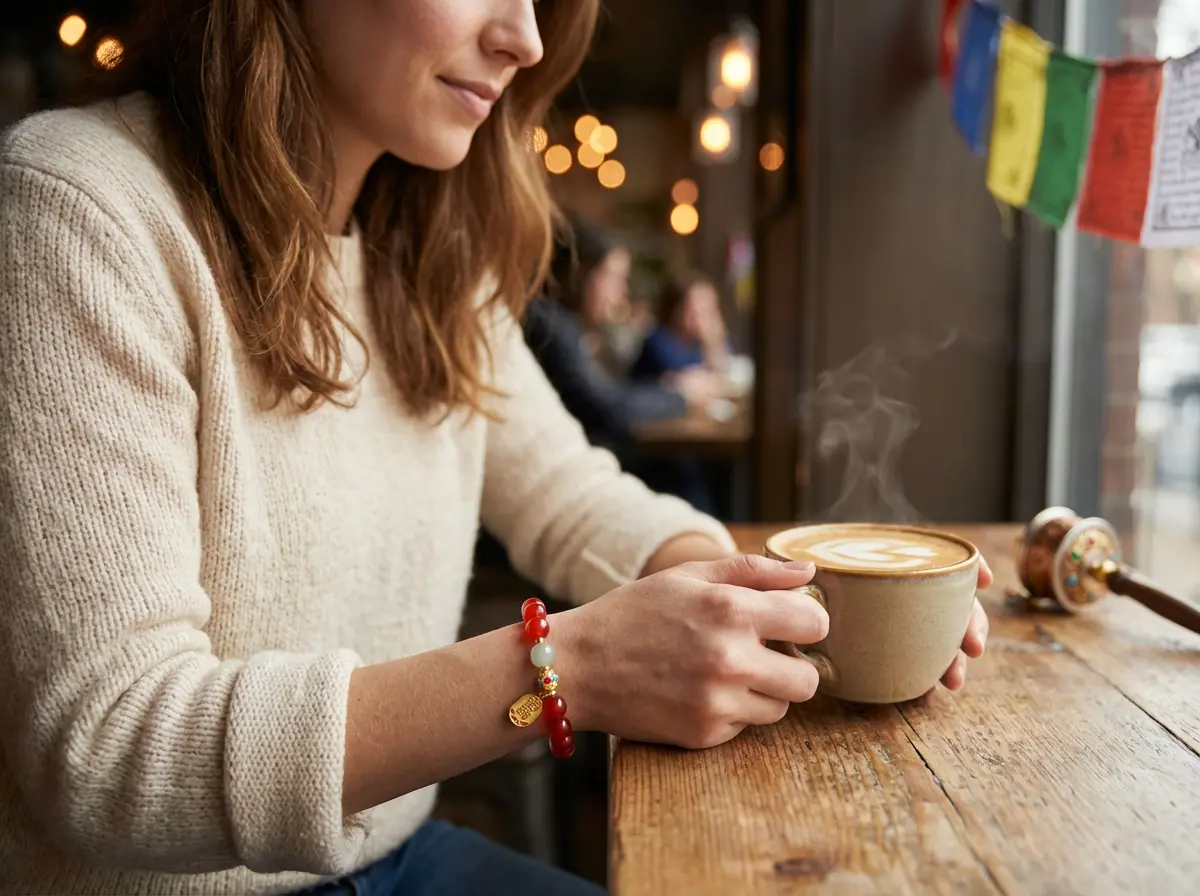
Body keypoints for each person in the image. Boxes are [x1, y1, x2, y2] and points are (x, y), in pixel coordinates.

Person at [0, 1, 992, 894]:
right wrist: (566, 668)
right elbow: (110, 751)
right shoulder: (79, 208)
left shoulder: (429, 258)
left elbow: (572, 496)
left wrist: (785, 605)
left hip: (392, 856)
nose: (524, 38)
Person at [523, 215, 722, 450]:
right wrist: (681, 396)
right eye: (614, 278)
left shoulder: (567, 325)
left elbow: (613, 393)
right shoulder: (552, 327)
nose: (622, 291)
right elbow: (607, 409)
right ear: (582, 274)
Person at [633, 271, 730, 383]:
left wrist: (715, 346)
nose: (707, 318)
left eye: (710, 310)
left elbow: (724, 373)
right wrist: (711, 345)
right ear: (677, 310)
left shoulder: (697, 344)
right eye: (698, 309)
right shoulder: (659, 342)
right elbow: (679, 377)